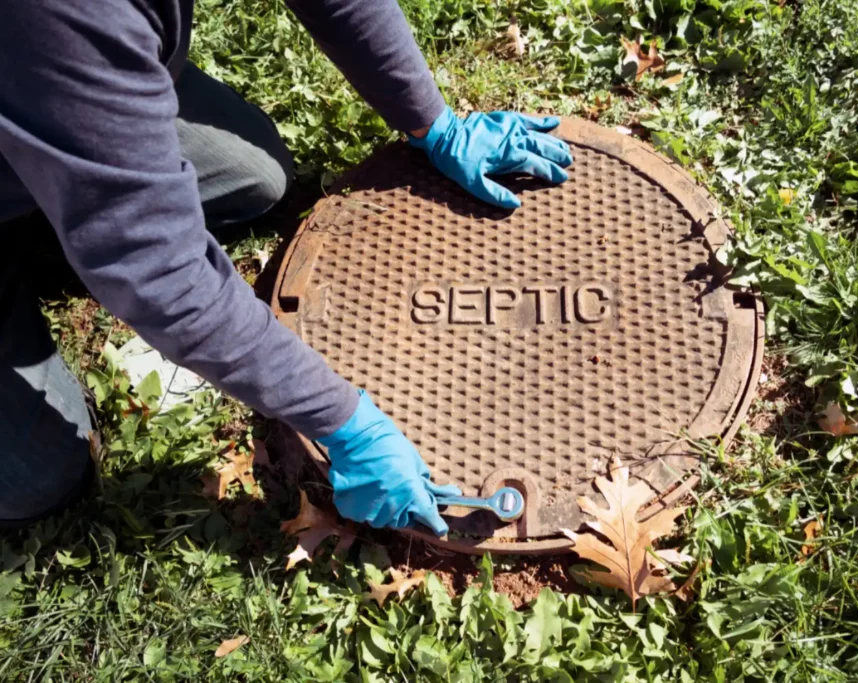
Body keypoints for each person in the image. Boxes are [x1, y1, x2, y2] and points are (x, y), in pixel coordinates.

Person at [0, 0, 572, 531]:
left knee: (256, 177)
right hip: (48, 49)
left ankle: (76, 175)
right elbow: (161, 273)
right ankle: (74, 196)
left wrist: (431, 120)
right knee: (36, 477)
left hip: (57, 69)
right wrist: (342, 421)